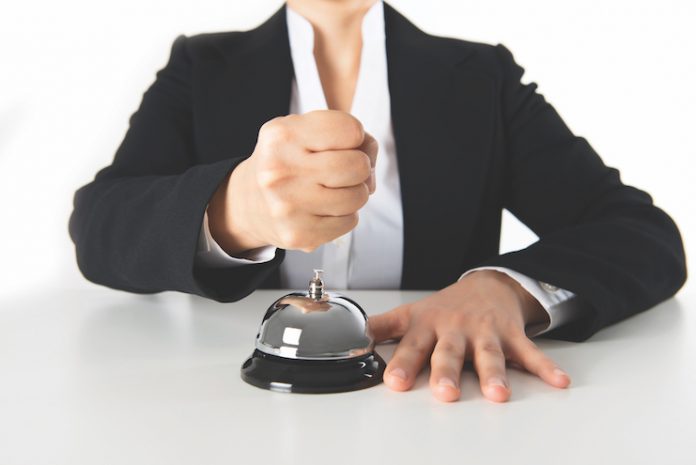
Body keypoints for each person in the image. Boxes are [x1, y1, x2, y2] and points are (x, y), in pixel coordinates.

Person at [69, 0, 687, 403]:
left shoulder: (480, 76)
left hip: (440, 404)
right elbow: (99, 224)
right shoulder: (201, 66)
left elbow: (641, 231)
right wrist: (232, 212)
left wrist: (506, 289)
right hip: (227, 405)